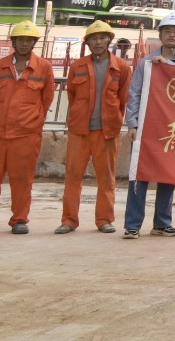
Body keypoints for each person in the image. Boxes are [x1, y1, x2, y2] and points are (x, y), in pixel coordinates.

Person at [0, 21, 56, 237]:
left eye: (29, 40)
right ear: (14, 42)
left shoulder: (44, 67)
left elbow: (47, 98)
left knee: (22, 178)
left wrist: (34, 120)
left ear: (34, 43)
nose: (24, 43)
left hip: (26, 134)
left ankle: (19, 219)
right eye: (21, 39)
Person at [123, 11, 175, 238]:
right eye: (167, 31)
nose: (172, 35)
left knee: (168, 175)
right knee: (139, 175)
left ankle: (162, 223)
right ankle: (133, 224)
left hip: (173, 127)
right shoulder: (146, 63)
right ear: (160, 35)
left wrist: (167, 66)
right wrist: (132, 124)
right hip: (147, 127)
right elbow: (135, 93)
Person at [57, 20, 131, 234]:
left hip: (107, 132)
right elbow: (72, 96)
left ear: (109, 40)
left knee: (106, 178)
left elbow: (123, 98)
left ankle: (104, 220)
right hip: (80, 131)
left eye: (102, 38)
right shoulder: (77, 67)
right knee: (73, 176)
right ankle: (69, 220)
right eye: (93, 38)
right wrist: (80, 117)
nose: (98, 42)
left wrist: (114, 119)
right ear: (87, 42)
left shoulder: (121, 67)